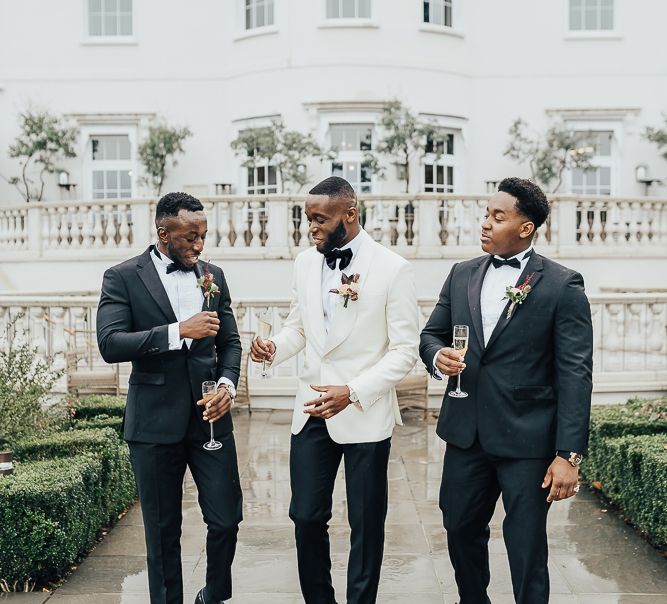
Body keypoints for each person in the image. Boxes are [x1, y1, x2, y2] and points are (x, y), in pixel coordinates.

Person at [419, 177, 593, 604]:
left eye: (498, 217)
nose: (486, 223)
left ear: (526, 227)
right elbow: (430, 335)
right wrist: (437, 356)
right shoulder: (461, 275)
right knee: (459, 527)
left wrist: (568, 454)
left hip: (528, 440)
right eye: (486, 214)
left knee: (526, 544)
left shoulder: (561, 284)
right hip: (466, 434)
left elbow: (575, 373)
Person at [251, 176, 419, 604]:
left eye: (320, 219)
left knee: (366, 523)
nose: (312, 227)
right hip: (310, 408)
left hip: (364, 411)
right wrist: (273, 349)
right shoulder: (305, 263)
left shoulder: (392, 268)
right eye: (308, 218)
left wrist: (354, 390)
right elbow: (298, 328)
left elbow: (405, 351)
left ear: (350, 214)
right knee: (305, 516)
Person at [97, 192, 243, 604]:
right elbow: (110, 343)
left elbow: (230, 343)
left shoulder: (212, 275)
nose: (199, 246)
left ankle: (213, 594)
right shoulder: (122, 276)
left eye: (202, 237)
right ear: (163, 233)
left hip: (210, 419)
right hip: (153, 425)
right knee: (162, 532)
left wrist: (227, 386)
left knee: (227, 518)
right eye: (189, 238)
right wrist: (179, 330)